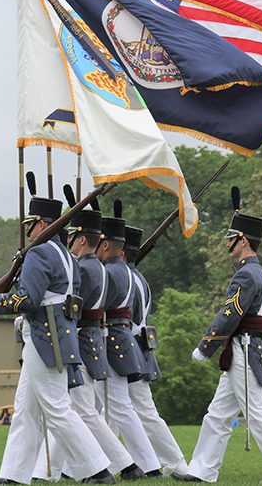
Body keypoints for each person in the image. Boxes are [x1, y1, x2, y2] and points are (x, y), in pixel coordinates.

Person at [0, 187, 114, 485]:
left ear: (42, 223)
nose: (28, 229)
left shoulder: (40, 253)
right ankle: (13, 476)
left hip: (44, 335)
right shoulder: (65, 255)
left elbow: (27, 299)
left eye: (31, 223)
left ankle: (99, 471)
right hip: (54, 333)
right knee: (26, 409)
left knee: (56, 408)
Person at [174, 189, 262, 484]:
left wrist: (206, 346)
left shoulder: (246, 275)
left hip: (243, 351)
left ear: (242, 240)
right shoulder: (260, 274)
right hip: (245, 351)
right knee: (217, 414)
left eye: (230, 237)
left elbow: (230, 314)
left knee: (257, 416)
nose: (226, 242)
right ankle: (201, 471)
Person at [32, 206, 145, 481]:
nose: (68, 239)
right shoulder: (97, 266)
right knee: (73, 409)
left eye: (72, 234)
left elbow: (70, 306)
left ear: (81, 238)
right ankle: (48, 471)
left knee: (79, 410)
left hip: (78, 339)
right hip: (89, 339)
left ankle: (122, 465)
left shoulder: (84, 267)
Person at [94, 202, 162, 477]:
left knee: (109, 408)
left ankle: (135, 465)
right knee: (115, 409)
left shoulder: (110, 271)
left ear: (107, 244)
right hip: (119, 340)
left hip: (109, 339)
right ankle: (146, 465)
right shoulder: (123, 271)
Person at [124, 225, 190, 477]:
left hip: (127, 349)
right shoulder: (138, 278)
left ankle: (173, 464)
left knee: (144, 412)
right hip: (136, 348)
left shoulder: (126, 278)